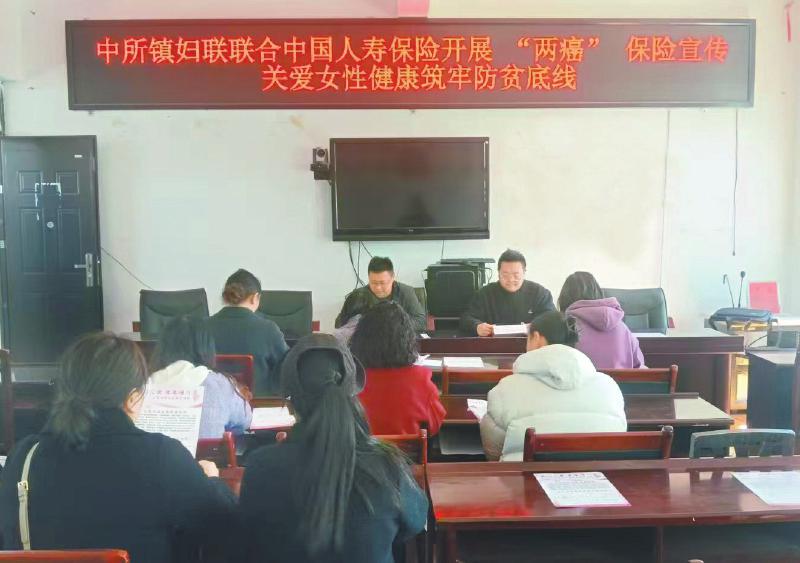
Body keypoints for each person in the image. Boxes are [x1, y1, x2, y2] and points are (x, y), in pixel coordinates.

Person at [0, 333, 237, 562]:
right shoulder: (162, 456)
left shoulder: (24, 456)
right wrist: (213, 481)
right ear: (132, 398)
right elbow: (225, 524)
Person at [239, 333, 428, 563]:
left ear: (289, 403)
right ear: (353, 392)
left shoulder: (260, 466)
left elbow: (251, 535)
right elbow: (414, 524)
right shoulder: (388, 465)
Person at [480, 311, 626, 461]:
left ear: (537, 338)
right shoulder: (608, 386)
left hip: (525, 474)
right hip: (599, 473)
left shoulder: (507, 388)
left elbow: (493, 449)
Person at [350, 302, 446, 436]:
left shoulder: (350, 380)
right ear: (406, 340)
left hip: (360, 449)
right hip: (408, 450)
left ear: (360, 338)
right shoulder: (420, 380)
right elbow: (434, 426)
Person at [150, 315, 253, 439]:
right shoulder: (221, 384)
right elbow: (245, 421)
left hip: (155, 452)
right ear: (207, 347)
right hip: (211, 453)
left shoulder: (144, 385)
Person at [207, 269, 289, 395]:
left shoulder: (203, 327)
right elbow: (287, 368)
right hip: (257, 403)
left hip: (213, 402)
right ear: (255, 297)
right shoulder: (268, 329)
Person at [558, 271, 645, 369]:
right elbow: (640, 368)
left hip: (579, 379)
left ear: (564, 298)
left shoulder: (564, 328)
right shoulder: (623, 328)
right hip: (620, 380)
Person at [460, 249, 555, 336]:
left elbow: (553, 319)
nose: (510, 279)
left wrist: (537, 326)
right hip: (493, 345)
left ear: (524, 273)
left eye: (516, 275)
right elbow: (466, 318)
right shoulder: (485, 294)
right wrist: (477, 326)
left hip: (530, 344)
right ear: (498, 273)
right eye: (505, 275)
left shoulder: (539, 293)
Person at [335, 256, 427, 333]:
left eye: (382, 283)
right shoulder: (358, 295)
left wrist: (392, 325)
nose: (378, 287)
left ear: (392, 278)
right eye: (373, 282)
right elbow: (339, 324)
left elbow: (421, 322)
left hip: (399, 341)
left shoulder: (406, 292)